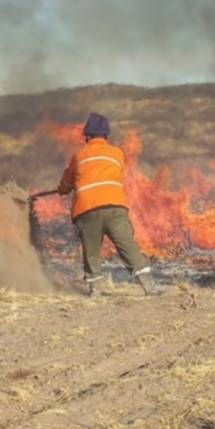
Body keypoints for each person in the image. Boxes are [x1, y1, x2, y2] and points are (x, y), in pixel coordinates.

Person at [55, 112, 161, 296]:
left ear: (87, 136)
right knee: (127, 245)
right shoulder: (117, 153)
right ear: (106, 135)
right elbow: (115, 171)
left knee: (91, 250)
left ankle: (95, 290)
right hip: (114, 206)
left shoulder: (79, 156)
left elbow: (68, 181)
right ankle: (149, 286)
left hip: (87, 210)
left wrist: (63, 188)